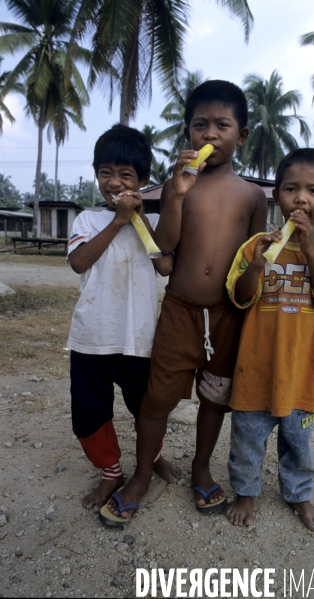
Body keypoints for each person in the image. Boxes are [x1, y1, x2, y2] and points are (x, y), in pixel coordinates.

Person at [104, 80, 268, 524]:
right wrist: (175, 195)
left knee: (215, 399)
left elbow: (252, 260)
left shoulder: (253, 196)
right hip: (180, 310)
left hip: (228, 315)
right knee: (156, 400)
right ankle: (140, 475)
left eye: (222, 125)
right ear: (187, 133)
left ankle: (201, 467)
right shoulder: (178, 186)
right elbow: (164, 246)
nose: (210, 134)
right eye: (200, 125)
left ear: (243, 134)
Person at [225, 148, 314, 531]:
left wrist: (310, 248)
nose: (301, 198)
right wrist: (258, 265)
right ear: (276, 195)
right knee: (247, 438)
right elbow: (240, 296)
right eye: (291, 189)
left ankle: (299, 494)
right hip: (256, 369)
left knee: (299, 442)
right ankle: (245, 492)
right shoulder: (255, 246)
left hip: (302, 373)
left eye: (313, 191)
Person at [67, 124, 179, 518]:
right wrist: (116, 220)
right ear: (96, 174)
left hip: (138, 339)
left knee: (147, 409)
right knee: (89, 412)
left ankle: (152, 460)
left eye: (125, 175)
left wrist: (137, 220)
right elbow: (79, 262)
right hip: (91, 339)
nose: (114, 182)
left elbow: (164, 265)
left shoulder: (144, 222)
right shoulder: (86, 221)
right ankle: (111, 472)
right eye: (105, 172)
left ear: (143, 181)